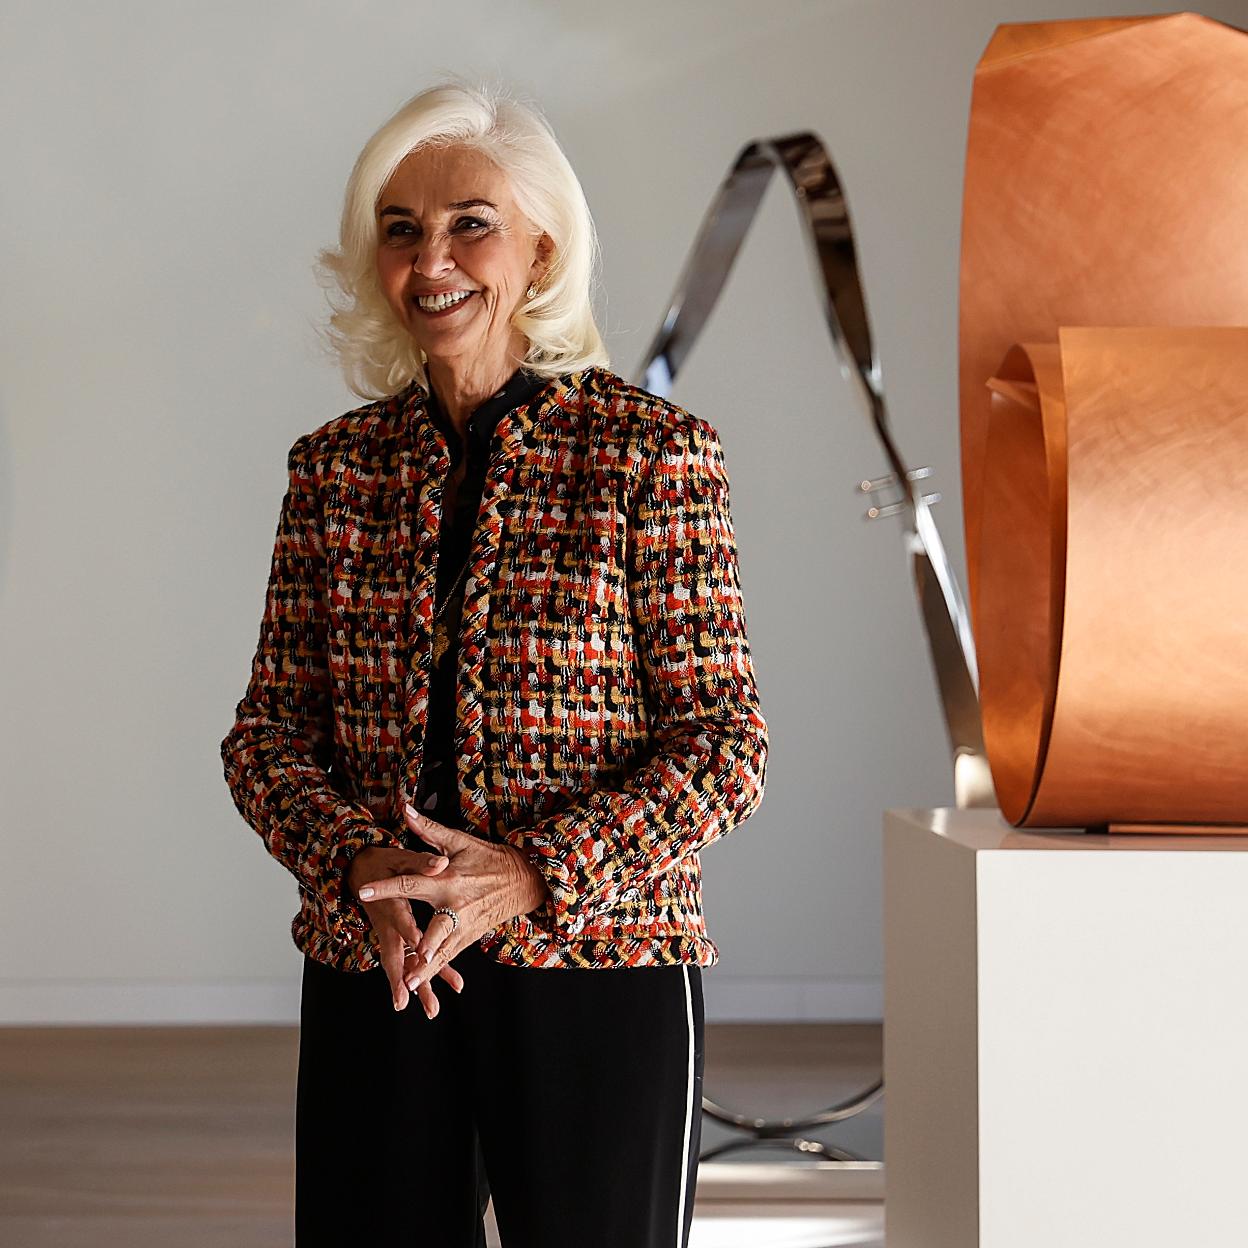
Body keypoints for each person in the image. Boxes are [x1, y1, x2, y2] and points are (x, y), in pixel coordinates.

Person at [219, 79, 768, 1248]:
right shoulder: (333, 470)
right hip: (383, 969)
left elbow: (726, 748)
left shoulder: (652, 456)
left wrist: (529, 876)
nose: (433, 261)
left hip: (598, 966)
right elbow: (265, 740)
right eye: (402, 229)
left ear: (541, 250)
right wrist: (355, 867)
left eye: (472, 223)